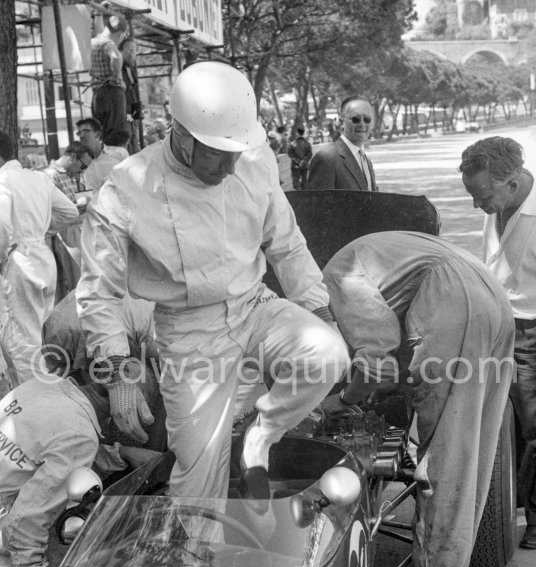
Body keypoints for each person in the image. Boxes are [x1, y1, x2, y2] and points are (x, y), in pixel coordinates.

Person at [77, 61, 349, 500]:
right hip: (189, 333)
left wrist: (320, 312)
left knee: (327, 354)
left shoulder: (254, 164)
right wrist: (119, 377)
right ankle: (196, 557)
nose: (228, 167)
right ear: (180, 136)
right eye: (217, 154)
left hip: (255, 306)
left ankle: (263, 434)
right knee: (199, 474)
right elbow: (99, 292)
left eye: (235, 153)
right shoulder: (126, 188)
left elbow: (288, 246)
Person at [321, 231, 515, 567]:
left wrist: (343, 399)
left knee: (445, 453)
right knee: (470, 446)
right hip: (490, 297)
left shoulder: (336, 275)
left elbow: (376, 351)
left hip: (454, 301)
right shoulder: (365, 253)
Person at [0, 374, 159, 567]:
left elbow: (53, 449)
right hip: (8, 526)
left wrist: (121, 453)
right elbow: (23, 527)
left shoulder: (45, 383)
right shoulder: (81, 435)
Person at [459, 136, 536, 551]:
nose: (479, 206)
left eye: (483, 197)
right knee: (499, 419)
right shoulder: (498, 201)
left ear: (512, 182)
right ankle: (505, 505)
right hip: (503, 323)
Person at [0, 131, 79, 386]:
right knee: (38, 339)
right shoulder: (38, 178)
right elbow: (69, 211)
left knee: (22, 345)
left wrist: (5, 253)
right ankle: (43, 399)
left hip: (19, 261)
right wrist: (40, 232)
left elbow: (1, 225)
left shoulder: (3, 179)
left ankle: (39, 405)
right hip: (43, 259)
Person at [43, 141, 95, 295]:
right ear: (73, 157)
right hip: (67, 232)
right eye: (83, 165)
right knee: (78, 280)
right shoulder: (51, 175)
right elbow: (53, 211)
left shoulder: (76, 174)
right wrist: (77, 207)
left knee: (88, 278)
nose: (83, 170)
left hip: (83, 227)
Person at [307, 96, 378, 191]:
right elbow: (319, 204)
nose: (362, 124)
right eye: (356, 119)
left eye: (367, 119)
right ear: (341, 121)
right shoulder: (326, 158)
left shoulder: (366, 161)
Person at [90, 12, 128, 145]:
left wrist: (99, 13)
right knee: (116, 134)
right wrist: (116, 75)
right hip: (112, 92)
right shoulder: (109, 44)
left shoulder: (93, 42)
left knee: (101, 133)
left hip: (97, 94)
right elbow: (115, 57)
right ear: (120, 34)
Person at [75, 117, 128, 192]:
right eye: (79, 133)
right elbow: (82, 189)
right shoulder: (81, 163)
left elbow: (131, 180)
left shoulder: (119, 153)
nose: (81, 136)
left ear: (97, 134)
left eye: (86, 131)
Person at [121, 37, 142, 155]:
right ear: (121, 51)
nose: (131, 53)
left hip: (133, 116)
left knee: (135, 147)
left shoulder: (131, 69)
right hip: (124, 116)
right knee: (126, 149)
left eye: (133, 51)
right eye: (128, 50)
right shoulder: (118, 69)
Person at [288, 126, 312, 190]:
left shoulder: (292, 144)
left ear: (297, 133)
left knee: (296, 183)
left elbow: (290, 154)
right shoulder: (307, 144)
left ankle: (297, 197)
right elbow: (309, 154)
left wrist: (298, 162)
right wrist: (303, 161)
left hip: (295, 166)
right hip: (305, 166)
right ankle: (305, 197)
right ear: (303, 133)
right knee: (304, 183)